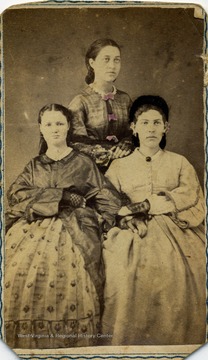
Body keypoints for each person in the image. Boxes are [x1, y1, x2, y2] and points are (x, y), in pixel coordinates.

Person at [4, 104, 121, 349]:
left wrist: (108, 223)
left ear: (68, 126)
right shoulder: (35, 165)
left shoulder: (83, 162)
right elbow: (16, 195)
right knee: (17, 269)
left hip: (75, 228)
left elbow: (106, 195)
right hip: (33, 229)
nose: (54, 129)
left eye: (59, 123)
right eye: (48, 124)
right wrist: (61, 196)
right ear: (41, 129)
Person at [101, 95, 206, 345]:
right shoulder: (118, 166)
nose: (151, 129)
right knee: (124, 270)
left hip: (176, 228)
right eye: (145, 123)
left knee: (188, 268)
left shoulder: (179, 162)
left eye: (157, 123)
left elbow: (192, 195)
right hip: (132, 231)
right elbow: (108, 201)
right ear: (133, 128)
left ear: (166, 128)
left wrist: (153, 204)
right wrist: (124, 218)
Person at [68, 38, 133, 170]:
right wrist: (106, 153)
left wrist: (127, 143)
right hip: (91, 171)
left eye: (117, 60)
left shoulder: (125, 99)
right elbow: (74, 143)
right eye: (106, 59)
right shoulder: (80, 101)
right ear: (92, 63)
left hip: (125, 167)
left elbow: (134, 133)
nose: (112, 66)